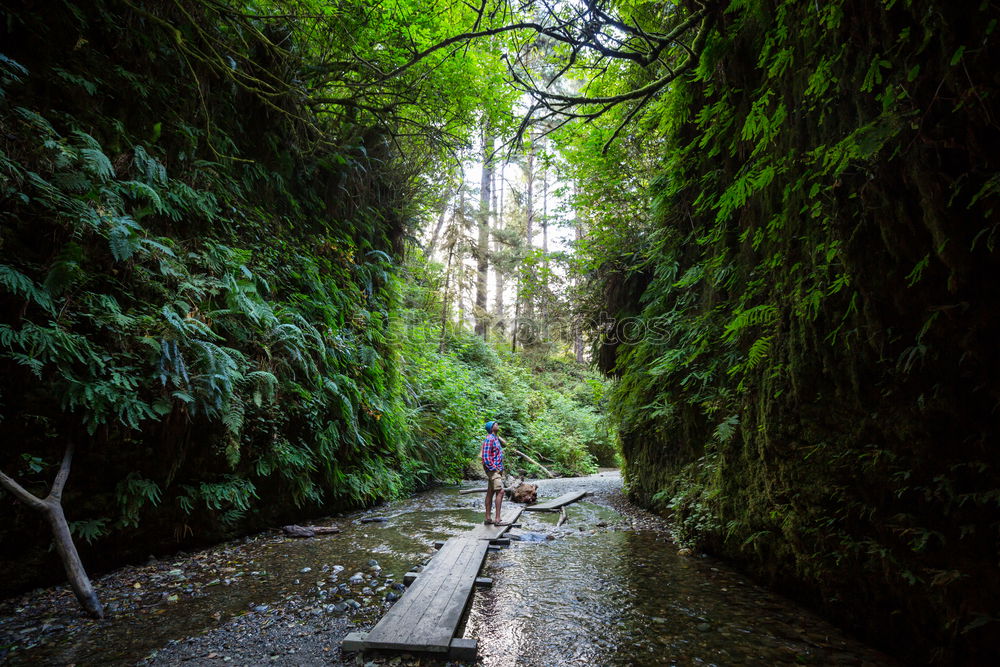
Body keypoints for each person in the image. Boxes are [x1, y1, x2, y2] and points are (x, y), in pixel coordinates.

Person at [481, 420, 508, 525]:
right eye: (495, 424)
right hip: (493, 470)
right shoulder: (489, 439)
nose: (497, 425)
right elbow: (485, 457)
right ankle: (497, 519)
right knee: (500, 491)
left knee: (490, 492)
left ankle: (488, 518)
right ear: (491, 428)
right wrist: (494, 468)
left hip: (497, 469)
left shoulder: (495, 439)